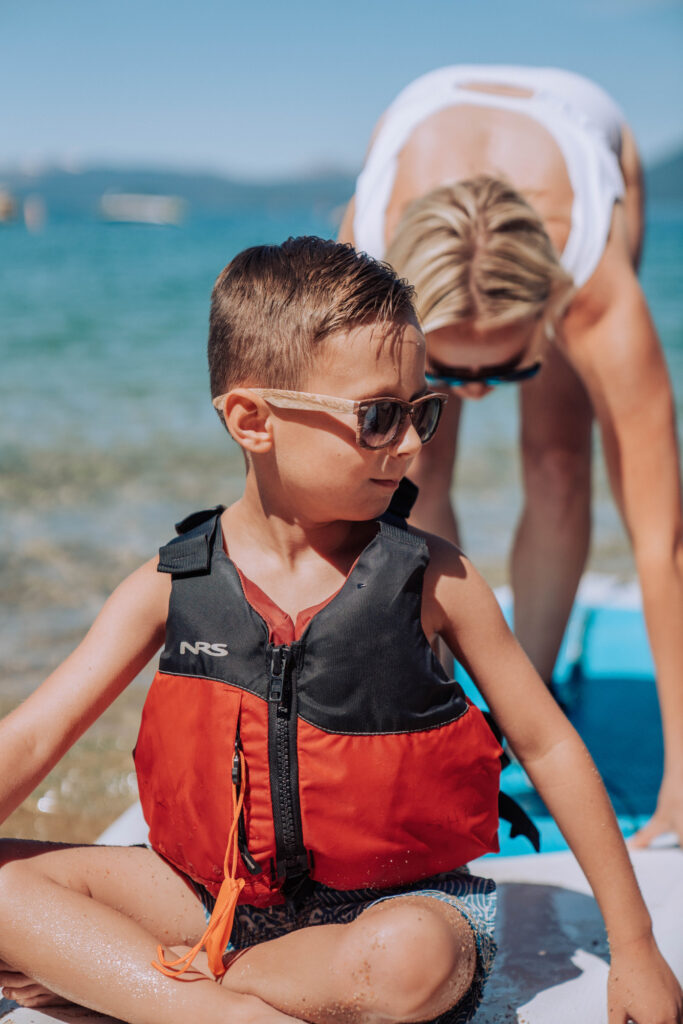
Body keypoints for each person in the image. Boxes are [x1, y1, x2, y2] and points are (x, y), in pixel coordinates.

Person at [0, 237, 680, 1024]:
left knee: (410, 963)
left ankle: (154, 991)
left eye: (422, 410)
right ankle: (225, 1008)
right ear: (252, 419)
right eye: (378, 417)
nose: (414, 443)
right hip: (205, 900)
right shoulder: (172, 584)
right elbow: (31, 739)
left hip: (394, 912)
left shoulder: (435, 580)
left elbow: (549, 746)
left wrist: (633, 948)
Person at [338, 65, 683, 849]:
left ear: (553, 311)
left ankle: (533, 690)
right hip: (425, 116)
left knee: (559, 457)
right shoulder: (361, 258)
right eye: (454, 373)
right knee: (405, 474)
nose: (478, 393)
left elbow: (663, 545)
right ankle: (428, 687)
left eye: (507, 368)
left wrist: (680, 788)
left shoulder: (592, 282)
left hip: (580, 125)